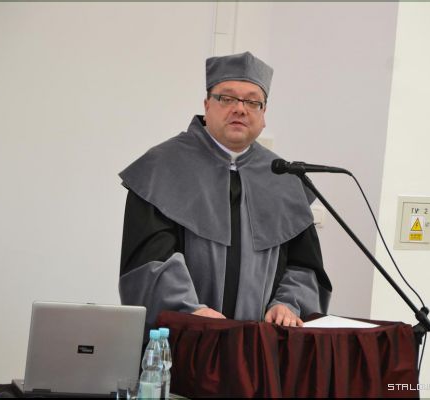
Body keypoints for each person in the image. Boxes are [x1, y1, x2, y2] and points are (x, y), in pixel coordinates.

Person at [119, 51, 332, 330]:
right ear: (207, 105)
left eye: (252, 102)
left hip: (261, 345)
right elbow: (149, 261)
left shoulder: (285, 178)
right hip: (188, 340)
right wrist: (189, 310)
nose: (240, 109)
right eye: (227, 98)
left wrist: (288, 304)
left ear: (264, 113)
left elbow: (304, 267)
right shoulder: (161, 167)